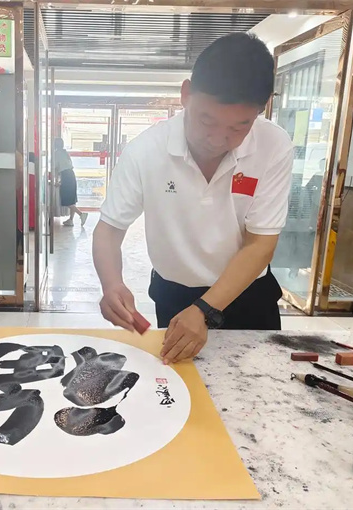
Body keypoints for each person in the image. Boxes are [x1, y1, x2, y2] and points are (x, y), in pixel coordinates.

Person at [93, 33, 293, 364]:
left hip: (248, 295)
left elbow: (260, 244)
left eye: (238, 127)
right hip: (175, 296)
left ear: (262, 108)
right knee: (181, 386)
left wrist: (205, 310)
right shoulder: (146, 151)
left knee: (254, 387)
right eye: (206, 120)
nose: (218, 139)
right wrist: (111, 284)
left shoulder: (273, 145)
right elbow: (109, 229)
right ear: (186, 94)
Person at [54, 138, 88, 227]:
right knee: (72, 199)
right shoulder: (65, 153)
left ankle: (81, 214)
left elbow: (56, 169)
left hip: (65, 176)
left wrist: (56, 181)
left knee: (66, 199)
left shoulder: (56, 154)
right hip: (71, 175)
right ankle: (71, 220)